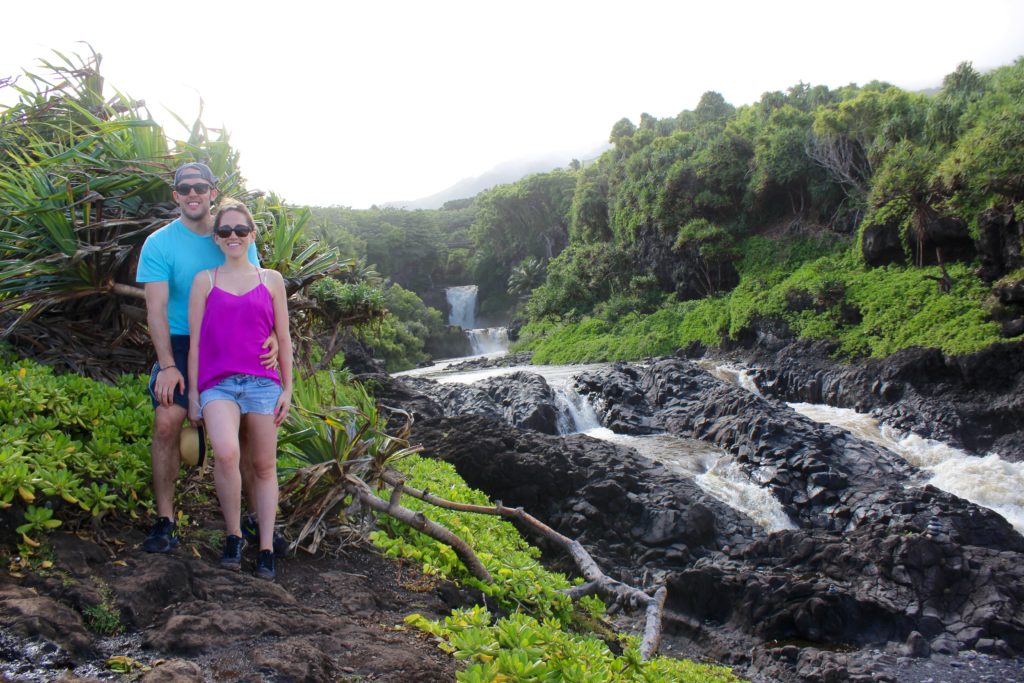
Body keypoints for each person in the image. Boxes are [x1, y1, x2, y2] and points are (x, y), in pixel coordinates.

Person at [137, 162, 277, 553]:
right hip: (182, 342)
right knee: (168, 420)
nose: (193, 193)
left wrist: (276, 343)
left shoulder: (232, 231)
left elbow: (260, 294)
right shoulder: (159, 244)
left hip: (234, 341)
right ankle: (166, 520)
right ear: (176, 195)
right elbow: (156, 309)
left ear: (213, 192)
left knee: (248, 428)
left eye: (201, 187)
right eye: (185, 188)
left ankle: (252, 520)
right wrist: (167, 364)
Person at [187, 199, 293, 580]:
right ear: (216, 239)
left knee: (264, 465)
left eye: (240, 230)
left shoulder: (271, 280)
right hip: (218, 384)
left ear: (251, 236)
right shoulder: (205, 281)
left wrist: (288, 389)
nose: (233, 237)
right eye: (226, 231)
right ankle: (233, 535)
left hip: (264, 385)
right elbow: (196, 341)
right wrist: (194, 394)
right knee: (228, 453)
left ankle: (265, 546)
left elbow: (284, 336)